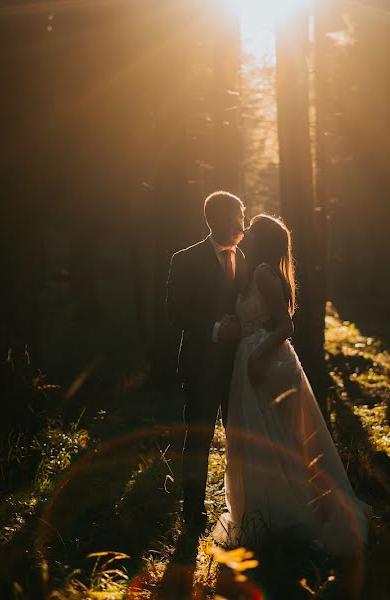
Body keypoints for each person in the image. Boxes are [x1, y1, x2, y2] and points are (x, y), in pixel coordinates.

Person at [213, 214, 371, 556]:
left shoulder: (263, 273)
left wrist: (257, 356)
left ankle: (286, 513)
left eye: (252, 229)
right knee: (257, 438)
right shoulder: (252, 273)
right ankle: (260, 513)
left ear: (262, 239)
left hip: (267, 361)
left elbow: (286, 327)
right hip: (251, 357)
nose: (245, 232)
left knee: (274, 438)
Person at [165, 191, 248, 559]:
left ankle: (241, 510)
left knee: (240, 441)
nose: (242, 223)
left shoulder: (244, 258)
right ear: (216, 219)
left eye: (243, 216)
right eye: (237, 217)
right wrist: (215, 328)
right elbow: (175, 312)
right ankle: (193, 512)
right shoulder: (185, 260)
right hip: (200, 365)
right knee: (198, 439)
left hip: (238, 367)